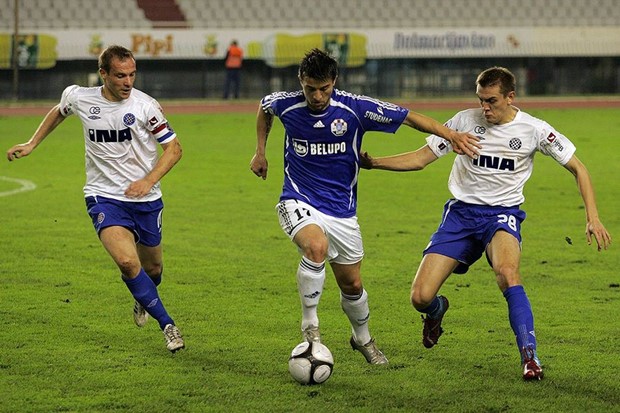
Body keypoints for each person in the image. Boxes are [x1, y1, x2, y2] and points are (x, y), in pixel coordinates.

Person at [360, 66, 612, 379]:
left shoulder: (534, 130)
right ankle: (436, 312)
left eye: (491, 100)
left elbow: (579, 168)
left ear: (511, 97)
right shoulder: (464, 121)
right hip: (461, 215)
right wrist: (373, 164)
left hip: (501, 216)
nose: (485, 107)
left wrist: (593, 217)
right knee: (420, 297)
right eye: (481, 100)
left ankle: (530, 358)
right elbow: (421, 158)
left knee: (508, 274)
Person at [249, 48, 481, 365]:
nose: (317, 96)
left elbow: (411, 117)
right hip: (298, 198)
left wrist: (451, 134)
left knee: (353, 284)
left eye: (324, 89)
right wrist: (260, 152)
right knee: (315, 247)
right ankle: (310, 329)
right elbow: (264, 108)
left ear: (334, 82)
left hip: (342, 211)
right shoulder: (286, 104)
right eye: (310, 88)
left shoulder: (355, 108)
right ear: (301, 82)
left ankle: (363, 338)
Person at [6, 45, 185, 353]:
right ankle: (168, 325)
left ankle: (143, 297)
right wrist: (33, 142)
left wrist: (148, 180)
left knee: (153, 270)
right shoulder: (80, 97)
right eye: (120, 75)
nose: (128, 82)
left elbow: (175, 149)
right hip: (103, 196)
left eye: (132, 75)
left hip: (145, 198)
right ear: (103, 74)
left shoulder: (146, 107)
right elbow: (59, 111)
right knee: (128, 263)